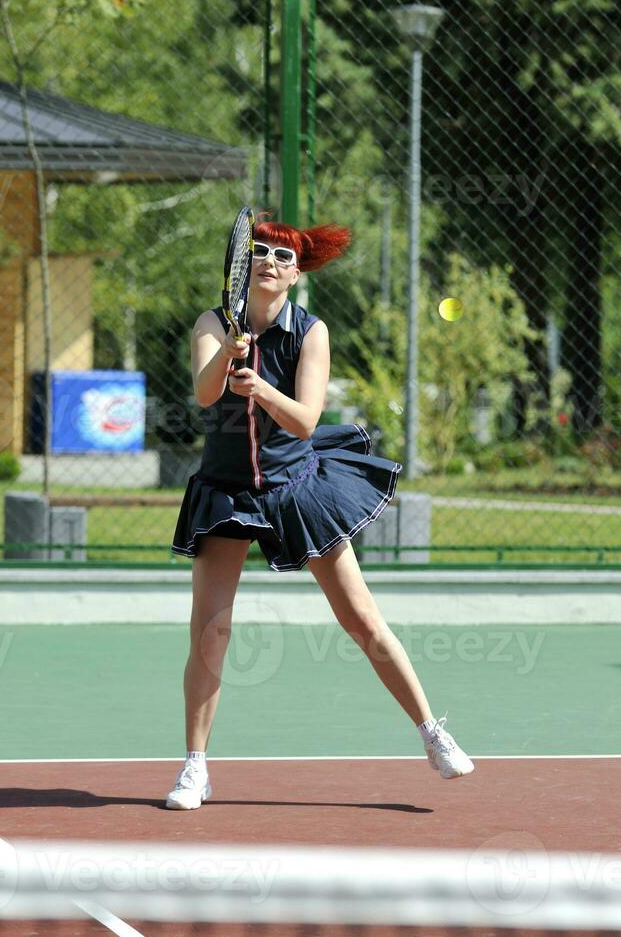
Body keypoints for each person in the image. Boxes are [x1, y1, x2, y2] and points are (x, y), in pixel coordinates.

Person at [166, 219, 473, 811]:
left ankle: (432, 733)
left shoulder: (311, 331)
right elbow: (205, 394)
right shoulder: (213, 322)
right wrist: (227, 357)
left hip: (297, 484)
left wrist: (258, 388)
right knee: (210, 632)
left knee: (361, 619)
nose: (271, 262)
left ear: (297, 272)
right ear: (242, 266)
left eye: (284, 256)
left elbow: (304, 421)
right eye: (260, 253)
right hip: (227, 492)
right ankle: (194, 768)